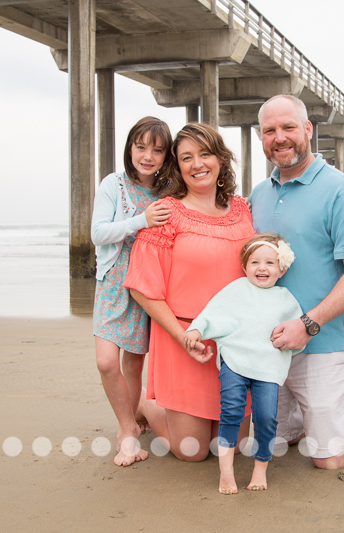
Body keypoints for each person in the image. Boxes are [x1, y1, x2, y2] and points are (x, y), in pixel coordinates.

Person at [249, 94, 344, 470]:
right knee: (276, 443)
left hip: (322, 341)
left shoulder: (340, 191)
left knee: (329, 459)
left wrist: (308, 324)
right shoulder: (259, 194)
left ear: (308, 129)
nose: (279, 138)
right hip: (270, 345)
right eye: (269, 130)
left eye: (288, 127)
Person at [125, 123, 256, 462]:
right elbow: (142, 288)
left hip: (235, 345)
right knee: (192, 452)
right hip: (184, 339)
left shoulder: (243, 211)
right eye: (186, 157)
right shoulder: (167, 213)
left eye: (205, 154)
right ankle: (146, 405)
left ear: (220, 159)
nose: (197, 164)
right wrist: (182, 336)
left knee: (234, 448)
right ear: (178, 166)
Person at [184, 233, 302, 494]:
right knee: (231, 412)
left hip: (268, 366)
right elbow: (212, 313)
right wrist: (196, 330)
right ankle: (226, 472)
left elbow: (297, 335)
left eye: (270, 263)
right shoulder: (236, 289)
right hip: (235, 360)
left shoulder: (286, 299)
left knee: (266, 417)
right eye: (255, 262)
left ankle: (260, 469)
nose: (262, 268)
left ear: (282, 269)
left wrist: (291, 344)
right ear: (245, 266)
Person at [91, 116, 173, 467]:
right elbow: (98, 233)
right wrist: (141, 220)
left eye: (157, 150)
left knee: (134, 362)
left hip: (146, 285)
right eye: (141, 147)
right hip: (113, 282)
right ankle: (127, 426)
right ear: (130, 148)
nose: (148, 156)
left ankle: (131, 423)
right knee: (106, 361)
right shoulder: (115, 184)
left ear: (166, 155)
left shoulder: (167, 192)